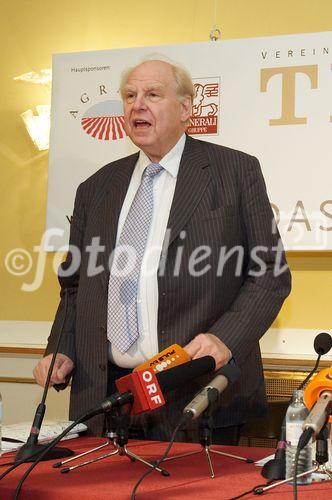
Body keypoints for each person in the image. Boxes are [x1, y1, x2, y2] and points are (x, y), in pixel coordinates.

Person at [33, 57, 291, 444]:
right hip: (108, 400)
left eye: (152, 94)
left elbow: (270, 273)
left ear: (186, 108)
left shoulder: (235, 172)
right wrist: (61, 348)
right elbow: (75, 286)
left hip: (197, 393)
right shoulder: (95, 189)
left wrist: (223, 339)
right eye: (130, 96)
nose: (138, 104)